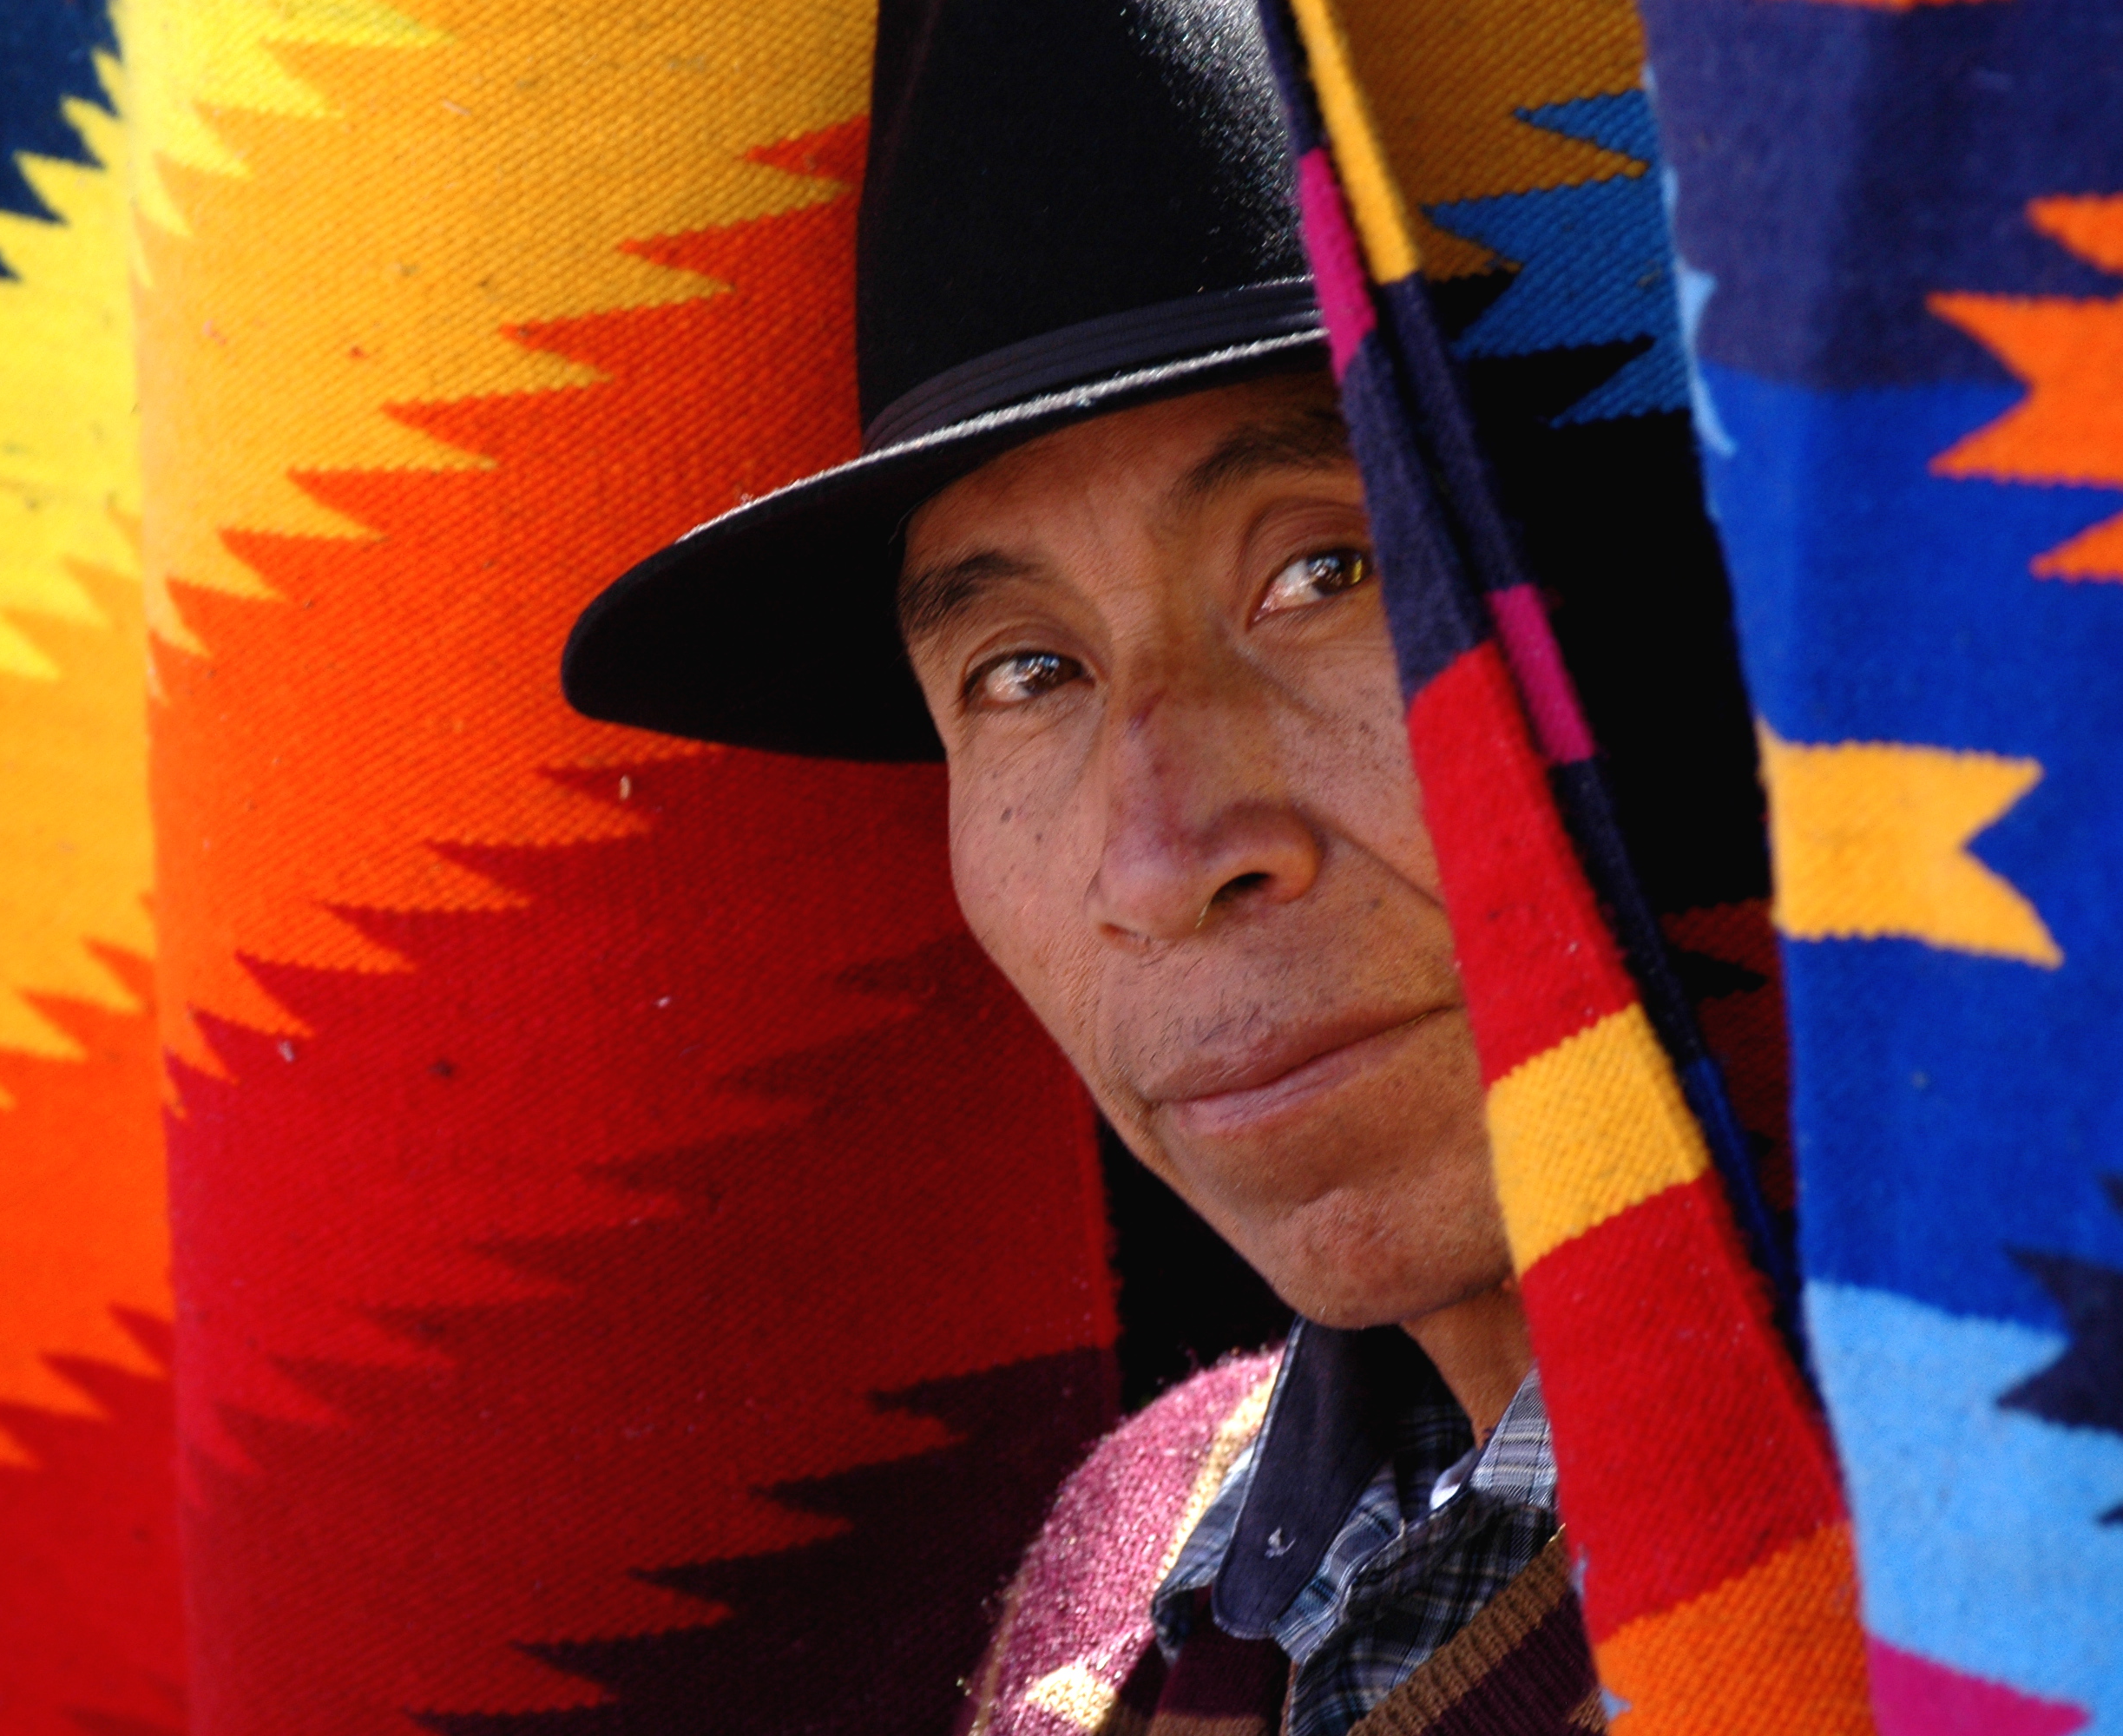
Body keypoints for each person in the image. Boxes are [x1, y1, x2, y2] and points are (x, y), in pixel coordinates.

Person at [564, 1, 1594, 1728]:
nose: (1164, 854)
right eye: (1022, 674)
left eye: (1323, 572)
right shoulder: (1131, 1573)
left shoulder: (2064, 1515)